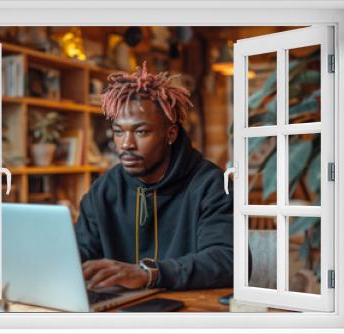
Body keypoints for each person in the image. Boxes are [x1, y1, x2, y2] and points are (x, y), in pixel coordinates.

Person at [75, 61, 233, 291]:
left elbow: (228, 260)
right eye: (119, 132)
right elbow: (80, 253)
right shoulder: (104, 190)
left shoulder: (211, 185)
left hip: (187, 315)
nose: (126, 144)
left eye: (141, 131)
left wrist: (150, 274)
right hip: (118, 316)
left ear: (170, 133)